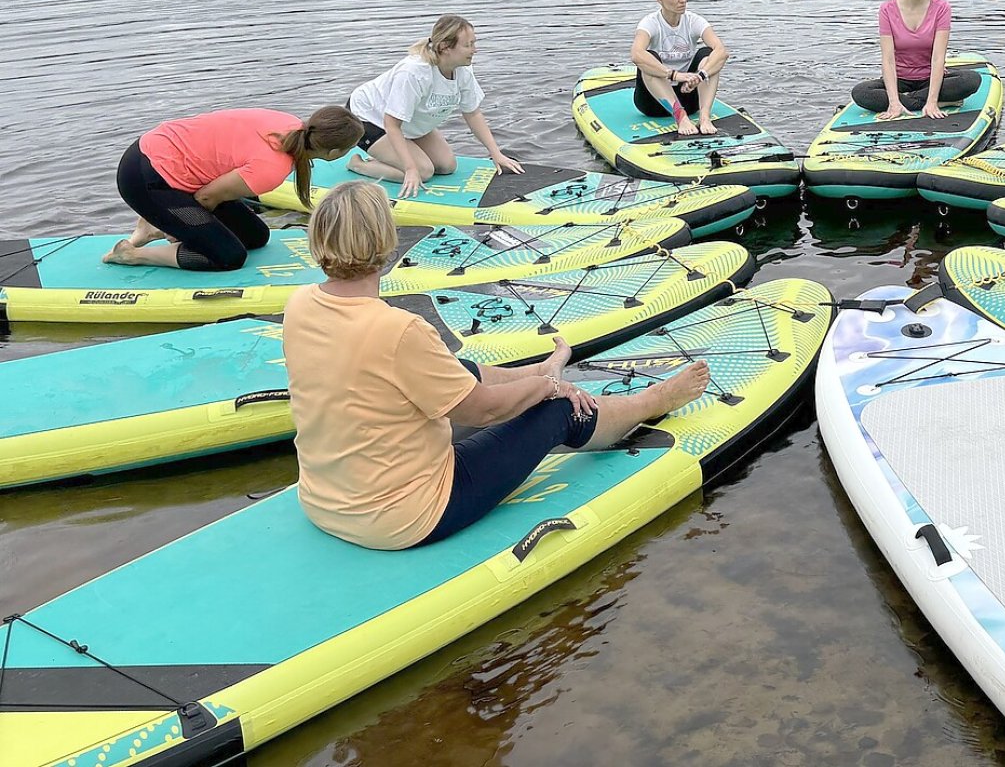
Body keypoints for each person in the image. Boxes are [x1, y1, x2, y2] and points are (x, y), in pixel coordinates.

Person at [283, 180, 713, 550]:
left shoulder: (301, 305)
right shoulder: (399, 330)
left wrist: (535, 379)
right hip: (407, 517)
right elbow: (482, 411)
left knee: (457, 369)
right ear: (386, 240)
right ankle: (653, 401)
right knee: (558, 409)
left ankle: (539, 371)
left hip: (323, 501)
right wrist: (549, 388)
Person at [103, 106, 363, 271]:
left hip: (159, 156)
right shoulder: (271, 169)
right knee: (229, 257)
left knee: (256, 237)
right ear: (333, 152)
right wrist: (180, 230)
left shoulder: (288, 122)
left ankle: (153, 225)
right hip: (145, 178)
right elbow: (206, 197)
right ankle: (134, 254)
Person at [346, 15, 524, 200]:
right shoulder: (414, 72)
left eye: (474, 43)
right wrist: (410, 168)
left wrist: (496, 154)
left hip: (407, 122)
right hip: (367, 118)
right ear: (445, 47)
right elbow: (391, 124)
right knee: (423, 171)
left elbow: (473, 114)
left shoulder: (463, 69)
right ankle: (359, 165)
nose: (475, 50)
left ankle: (390, 157)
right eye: (468, 45)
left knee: (446, 166)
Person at [851, 0, 981, 121]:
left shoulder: (941, 7)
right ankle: (937, 101)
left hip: (931, 79)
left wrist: (933, 102)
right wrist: (893, 101)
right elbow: (888, 59)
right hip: (900, 80)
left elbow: (938, 58)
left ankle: (917, 100)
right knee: (861, 92)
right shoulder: (887, 10)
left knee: (970, 80)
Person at [630, 0, 732, 136]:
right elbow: (636, 54)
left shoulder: (694, 20)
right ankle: (680, 117)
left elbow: (722, 52)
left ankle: (704, 117)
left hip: (688, 95)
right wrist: (674, 75)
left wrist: (699, 76)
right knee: (648, 58)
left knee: (709, 54)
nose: (683, 0)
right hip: (654, 102)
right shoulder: (649, 23)